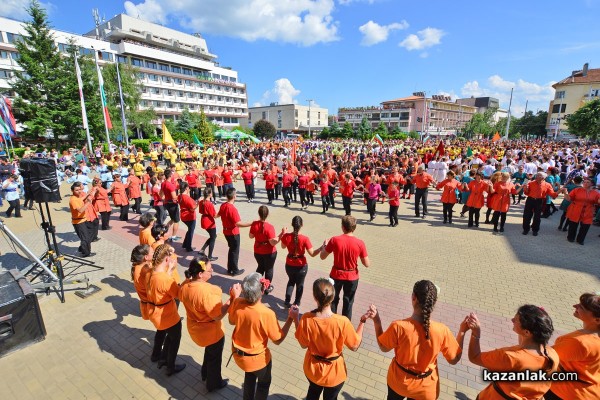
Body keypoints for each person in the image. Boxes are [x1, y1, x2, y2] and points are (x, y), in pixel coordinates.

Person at [369, 280, 467, 400]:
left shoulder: (399, 326)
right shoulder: (442, 330)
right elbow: (454, 359)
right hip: (426, 388)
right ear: (434, 302)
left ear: (414, 298)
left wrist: (377, 321)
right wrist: (462, 331)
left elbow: (383, 347)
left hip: (399, 382)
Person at [294, 278, 369, 400]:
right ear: (333, 297)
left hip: (313, 371)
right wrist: (362, 321)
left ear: (315, 297)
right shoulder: (342, 322)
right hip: (334, 373)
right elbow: (355, 346)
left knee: (312, 393)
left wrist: (295, 319)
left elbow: (303, 344)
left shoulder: (307, 318)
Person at [228, 272, 298, 400]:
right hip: (258, 359)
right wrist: (290, 319)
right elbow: (278, 340)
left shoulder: (238, 302)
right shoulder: (266, 313)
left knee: (249, 376)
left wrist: (234, 297)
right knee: (263, 384)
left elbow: (231, 321)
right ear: (261, 291)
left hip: (240, 356)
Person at [465, 305, 559, 400]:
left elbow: (474, 357)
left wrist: (476, 333)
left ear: (527, 332)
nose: (512, 320)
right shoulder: (552, 354)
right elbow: (525, 347)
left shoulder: (510, 357)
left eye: (516, 320)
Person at [179, 255, 242, 392]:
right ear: (200, 274)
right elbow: (218, 315)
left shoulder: (185, 286)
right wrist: (232, 298)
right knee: (215, 357)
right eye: (209, 269)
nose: (212, 270)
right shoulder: (209, 291)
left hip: (195, 328)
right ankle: (213, 383)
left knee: (210, 351)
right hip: (211, 332)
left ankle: (205, 373)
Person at [546, 292, 600, 400]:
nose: (575, 306)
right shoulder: (592, 337)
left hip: (566, 393)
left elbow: (543, 356)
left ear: (597, 320)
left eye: (582, 307)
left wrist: (530, 328)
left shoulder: (581, 343)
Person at [320, 215, 370, 320]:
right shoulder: (360, 243)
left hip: (336, 275)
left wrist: (324, 246)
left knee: (333, 299)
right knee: (348, 301)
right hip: (352, 276)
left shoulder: (334, 240)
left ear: (343, 227)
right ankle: (345, 324)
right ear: (354, 227)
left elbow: (322, 256)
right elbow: (367, 264)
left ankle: (332, 321)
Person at [146, 244, 185, 376]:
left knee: (167, 335)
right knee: (175, 339)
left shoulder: (151, 272)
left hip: (155, 313)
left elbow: (161, 285)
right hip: (167, 315)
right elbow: (179, 295)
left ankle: (162, 358)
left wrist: (168, 272)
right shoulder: (166, 280)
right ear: (167, 260)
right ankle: (170, 366)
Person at [130, 244, 166, 363]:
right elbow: (156, 284)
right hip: (154, 305)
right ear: (146, 257)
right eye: (152, 252)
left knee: (163, 330)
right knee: (165, 330)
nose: (154, 253)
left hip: (149, 304)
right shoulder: (145, 271)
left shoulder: (139, 267)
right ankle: (159, 357)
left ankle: (158, 355)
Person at [280, 216, 323, 307]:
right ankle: (296, 303)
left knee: (291, 281)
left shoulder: (287, 236)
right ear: (302, 225)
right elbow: (312, 254)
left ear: (292, 225)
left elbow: (283, 247)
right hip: (301, 265)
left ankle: (287, 301)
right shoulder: (305, 238)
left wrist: (284, 234)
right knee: (300, 284)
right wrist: (321, 248)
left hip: (289, 264)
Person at [217, 188, 252, 276]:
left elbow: (218, 215)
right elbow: (238, 224)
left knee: (231, 250)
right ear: (234, 196)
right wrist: (251, 223)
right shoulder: (232, 209)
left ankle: (230, 268)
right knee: (235, 251)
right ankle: (235, 270)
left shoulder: (223, 205)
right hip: (233, 233)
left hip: (226, 232)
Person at [249, 205, 283, 295]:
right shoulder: (270, 227)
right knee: (269, 269)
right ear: (267, 214)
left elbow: (251, 236)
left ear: (258, 213)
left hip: (257, 250)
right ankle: (267, 287)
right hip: (269, 252)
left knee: (260, 267)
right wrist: (282, 234)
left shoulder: (254, 224)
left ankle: (255, 284)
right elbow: (272, 243)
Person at [562, 177, 600, 245]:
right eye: (584, 182)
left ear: (591, 184)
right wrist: (565, 193)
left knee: (585, 226)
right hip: (576, 209)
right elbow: (569, 199)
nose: (585, 183)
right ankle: (570, 237)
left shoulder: (595, 193)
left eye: (588, 182)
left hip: (588, 211)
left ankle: (580, 239)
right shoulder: (577, 190)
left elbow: (598, 202)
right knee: (573, 225)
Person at [522, 172, 561, 236]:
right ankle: (526, 229)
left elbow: (553, 195)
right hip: (530, 200)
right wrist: (525, 188)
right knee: (527, 215)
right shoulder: (531, 183)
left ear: (543, 177)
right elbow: (526, 193)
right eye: (537, 175)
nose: (536, 177)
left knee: (537, 217)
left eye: (538, 176)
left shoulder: (547, 185)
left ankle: (535, 230)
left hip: (539, 201)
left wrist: (560, 190)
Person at [68, 182, 95, 257]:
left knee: (89, 234)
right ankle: (85, 253)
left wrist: (88, 194)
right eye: (77, 190)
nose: (79, 191)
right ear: (72, 191)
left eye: (79, 189)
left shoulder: (77, 198)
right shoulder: (73, 200)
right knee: (85, 238)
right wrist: (88, 203)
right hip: (78, 222)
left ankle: (82, 248)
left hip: (83, 220)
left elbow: (81, 199)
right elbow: (80, 210)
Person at [198, 188, 218, 261]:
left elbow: (200, 211)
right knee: (213, 238)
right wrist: (221, 214)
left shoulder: (201, 202)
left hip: (204, 219)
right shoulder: (209, 204)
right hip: (209, 222)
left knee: (213, 236)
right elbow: (215, 215)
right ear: (210, 194)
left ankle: (202, 250)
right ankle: (210, 256)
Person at [177, 182, 198, 252]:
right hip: (190, 216)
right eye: (188, 187)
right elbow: (193, 208)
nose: (189, 189)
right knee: (191, 231)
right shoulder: (186, 198)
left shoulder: (180, 196)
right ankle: (188, 247)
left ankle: (185, 244)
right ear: (186, 188)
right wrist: (197, 204)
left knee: (189, 230)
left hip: (183, 215)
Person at [161, 169, 181, 241]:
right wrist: (181, 197)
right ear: (170, 175)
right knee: (176, 221)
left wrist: (164, 199)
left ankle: (164, 230)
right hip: (172, 204)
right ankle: (173, 236)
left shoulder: (163, 183)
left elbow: (161, 194)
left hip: (167, 203)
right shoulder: (171, 185)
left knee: (172, 219)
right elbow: (174, 197)